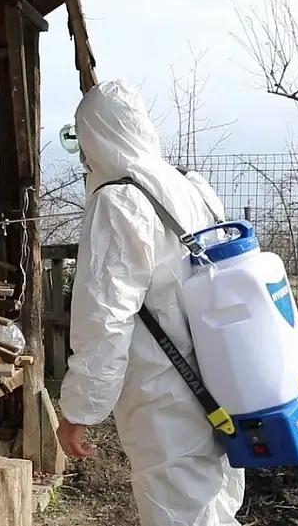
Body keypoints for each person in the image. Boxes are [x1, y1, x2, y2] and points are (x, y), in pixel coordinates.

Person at [57, 81, 245, 526]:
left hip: (165, 393)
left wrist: (80, 411)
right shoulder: (188, 185)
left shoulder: (118, 199)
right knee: (215, 504)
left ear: (94, 137)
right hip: (221, 377)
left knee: (178, 512)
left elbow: (105, 319)